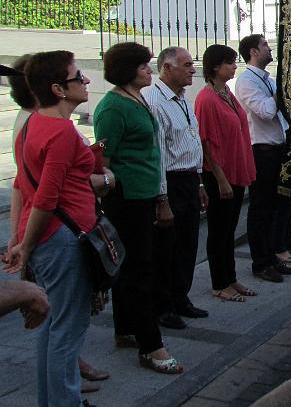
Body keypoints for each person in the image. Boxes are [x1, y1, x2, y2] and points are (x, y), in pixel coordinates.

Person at [3, 50, 104, 404]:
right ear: (59, 89)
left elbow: (24, 187)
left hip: (49, 235)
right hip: (62, 237)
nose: (86, 81)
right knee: (67, 329)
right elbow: (45, 196)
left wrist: (20, 237)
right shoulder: (60, 131)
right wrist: (24, 245)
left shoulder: (32, 124)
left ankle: (54, 399)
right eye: (79, 76)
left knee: (53, 323)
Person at [94, 42, 183, 374]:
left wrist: (160, 197)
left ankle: (126, 329)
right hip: (127, 198)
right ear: (128, 70)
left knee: (136, 267)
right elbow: (104, 159)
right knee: (140, 271)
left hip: (144, 195)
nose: (150, 70)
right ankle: (151, 345)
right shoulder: (113, 107)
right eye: (144, 65)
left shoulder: (137, 99)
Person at [141, 47, 210, 330]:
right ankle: (163, 306)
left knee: (188, 243)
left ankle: (181, 297)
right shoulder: (155, 101)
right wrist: (163, 198)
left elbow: (191, 142)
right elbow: (158, 153)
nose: (193, 69)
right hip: (170, 180)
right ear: (166, 68)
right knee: (167, 248)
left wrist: (200, 181)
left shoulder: (183, 99)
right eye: (186, 64)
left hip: (189, 179)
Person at [194, 45, 258, 300]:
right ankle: (220, 282)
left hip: (235, 168)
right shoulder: (206, 98)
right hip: (220, 174)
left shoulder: (226, 93)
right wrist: (220, 179)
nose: (234, 66)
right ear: (215, 67)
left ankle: (230, 277)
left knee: (229, 229)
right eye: (229, 63)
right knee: (219, 230)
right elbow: (206, 142)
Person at [234, 34, 291, 283]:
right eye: (265, 46)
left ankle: (272, 257)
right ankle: (260, 262)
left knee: (276, 209)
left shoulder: (266, 79)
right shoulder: (247, 81)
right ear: (253, 52)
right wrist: (281, 90)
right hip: (261, 151)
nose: (270, 49)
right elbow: (266, 111)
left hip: (277, 149)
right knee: (261, 209)